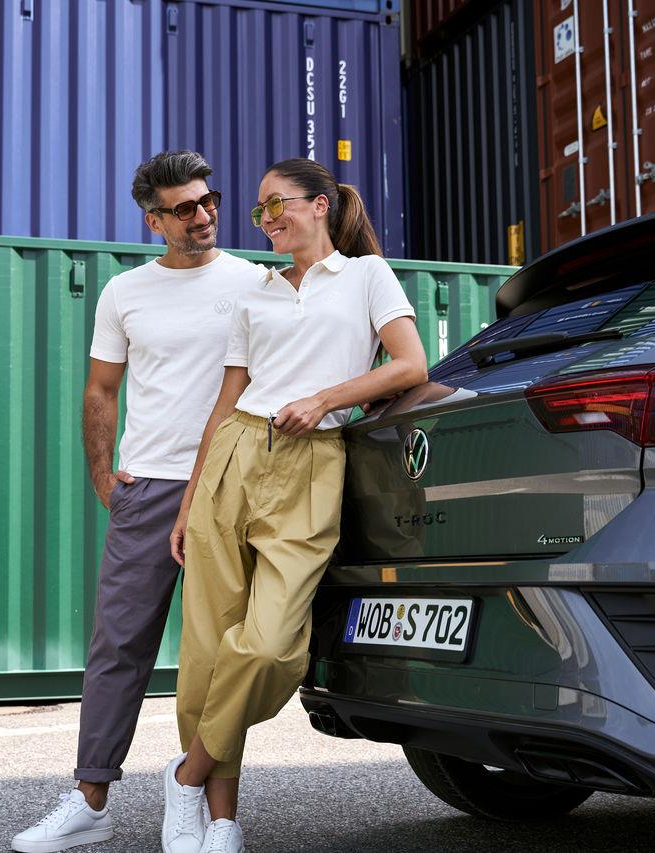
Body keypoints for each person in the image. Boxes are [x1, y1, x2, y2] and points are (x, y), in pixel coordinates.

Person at [161, 159, 429, 853]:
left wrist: (324, 398)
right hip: (235, 457)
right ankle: (221, 819)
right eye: (258, 211)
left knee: (274, 647)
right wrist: (190, 500)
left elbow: (411, 365)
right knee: (207, 651)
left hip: (313, 461)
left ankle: (185, 774)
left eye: (276, 205)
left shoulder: (367, 276)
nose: (267, 219)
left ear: (319, 205)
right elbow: (224, 403)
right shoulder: (256, 293)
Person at [11, 150, 264, 853]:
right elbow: (100, 389)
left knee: (216, 655)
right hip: (148, 486)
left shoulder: (255, 281)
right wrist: (103, 479)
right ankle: (91, 798)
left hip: (228, 484)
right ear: (154, 220)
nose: (205, 215)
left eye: (209, 200)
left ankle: (219, 819)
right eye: (185, 208)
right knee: (117, 645)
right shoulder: (125, 293)